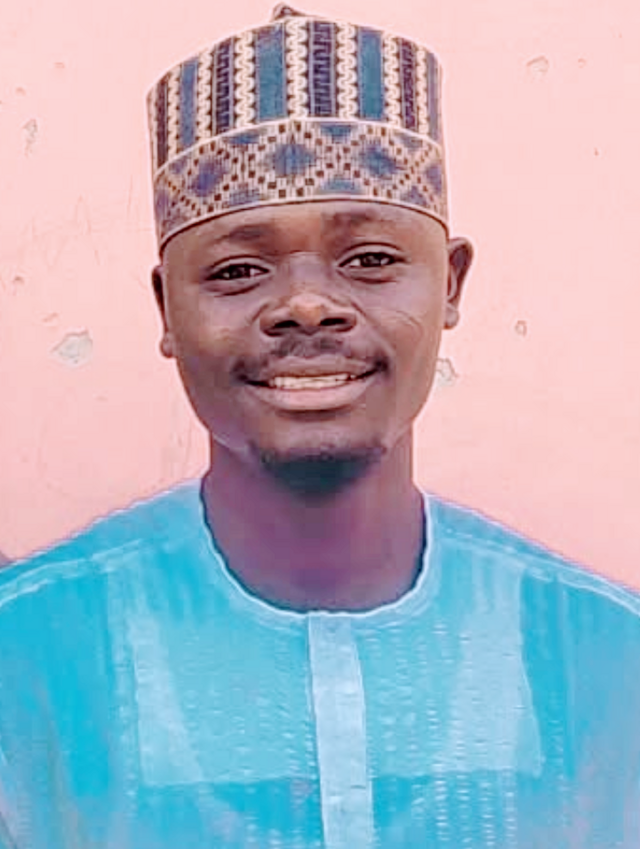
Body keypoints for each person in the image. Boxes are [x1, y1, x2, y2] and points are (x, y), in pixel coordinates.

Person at [0, 5, 639, 847]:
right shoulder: (26, 655)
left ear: (450, 284)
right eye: (237, 270)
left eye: (370, 260)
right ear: (166, 308)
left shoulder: (610, 660)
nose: (307, 304)